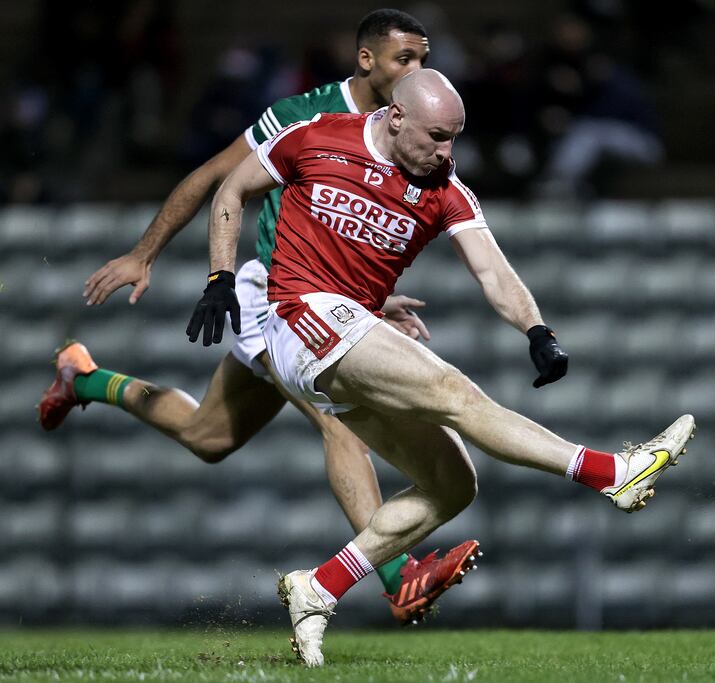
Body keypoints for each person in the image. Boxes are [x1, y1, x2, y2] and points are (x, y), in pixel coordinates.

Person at [190, 68, 696, 666]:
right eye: (436, 136)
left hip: (345, 332)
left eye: (454, 137)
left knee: (453, 485)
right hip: (302, 317)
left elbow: (492, 271)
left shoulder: (446, 187)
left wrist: (537, 330)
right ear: (396, 117)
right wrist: (221, 276)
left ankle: (317, 588)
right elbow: (231, 190)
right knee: (454, 391)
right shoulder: (318, 135)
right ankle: (610, 472)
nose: (446, 151)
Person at [39, 9, 478, 626]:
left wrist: (375, 303)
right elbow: (216, 178)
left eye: (424, 58)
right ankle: (396, 576)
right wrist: (145, 253)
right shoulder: (303, 115)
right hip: (271, 298)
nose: (419, 70)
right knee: (340, 419)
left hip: (332, 311)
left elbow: (356, 235)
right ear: (368, 59)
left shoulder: (407, 135)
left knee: (207, 437)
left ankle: (83, 378)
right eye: (406, 58)